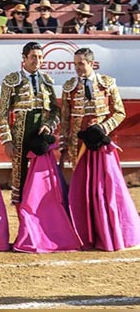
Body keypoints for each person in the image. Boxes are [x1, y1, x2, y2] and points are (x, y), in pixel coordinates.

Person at [60, 47, 140, 251]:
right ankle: (87, 233)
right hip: (80, 145)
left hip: (102, 143)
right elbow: (65, 119)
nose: (77, 67)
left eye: (81, 63)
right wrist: (66, 147)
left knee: (106, 188)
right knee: (83, 189)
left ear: (91, 64)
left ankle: (108, 231)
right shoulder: (69, 87)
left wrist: (103, 128)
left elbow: (119, 112)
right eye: (75, 63)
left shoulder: (107, 83)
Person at [0, 41, 60, 204]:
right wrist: (7, 140)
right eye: (33, 57)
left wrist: (49, 125)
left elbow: (55, 110)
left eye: (40, 57)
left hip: (40, 135)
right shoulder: (11, 80)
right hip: (19, 137)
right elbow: (3, 112)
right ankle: (23, 224)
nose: (37, 60)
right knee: (20, 179)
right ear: (24, 58)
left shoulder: (47, 80)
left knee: (40, 178)